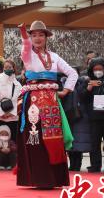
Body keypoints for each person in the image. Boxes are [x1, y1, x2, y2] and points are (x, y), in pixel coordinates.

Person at [16, 21, 77, 188]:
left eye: (41, 35)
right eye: (34, 35)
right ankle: (38, 178)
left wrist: (66, 91)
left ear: (46, 37)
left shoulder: (55, 57)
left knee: (53, 138)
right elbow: (26, 46)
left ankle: (55, 178)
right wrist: (23, 33)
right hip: (33, 102)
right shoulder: (28, 55)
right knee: (35, 137)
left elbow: (73, 73)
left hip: (51, 101)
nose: (37, 38)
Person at [62, 67, 92, 172]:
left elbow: (84, 96)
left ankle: (77, 164)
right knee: (69, 141)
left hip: (80, 116)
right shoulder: (63, 84)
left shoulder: (82, 83)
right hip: (67, 115)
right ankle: (72, 164)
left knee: (78, 141)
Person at [0, 59, 21, 148]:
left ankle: (12, 157)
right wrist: (1, 113)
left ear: (13, 68)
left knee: (12, 142)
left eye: (10, 67)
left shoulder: (17, 84)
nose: (8, 69)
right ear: (3, 68)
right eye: (6, 67)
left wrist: (11, 113)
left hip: (12, 117)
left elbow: (18, 100)